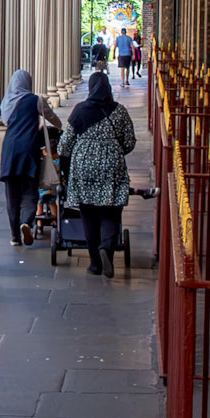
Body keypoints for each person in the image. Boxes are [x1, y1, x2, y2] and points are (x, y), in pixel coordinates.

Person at [57, 69, 137, 277]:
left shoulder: (80, 110)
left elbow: (64, 146)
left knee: (89, 214)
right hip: (112, 166)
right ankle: (106, 249)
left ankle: (94, 263)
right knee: (111, 211)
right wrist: (113, 150)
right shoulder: (119, 111)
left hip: (83, 167)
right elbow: (129, 143)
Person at [0, 66, 61, 248]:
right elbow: (52, 118)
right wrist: (58, 127)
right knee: (30, 192)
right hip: (29, 150)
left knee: (12, 196)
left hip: (9, 151)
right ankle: (26, 221)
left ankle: (14, 237)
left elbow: (5, 121)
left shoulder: (6, 102)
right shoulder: (36, 100)